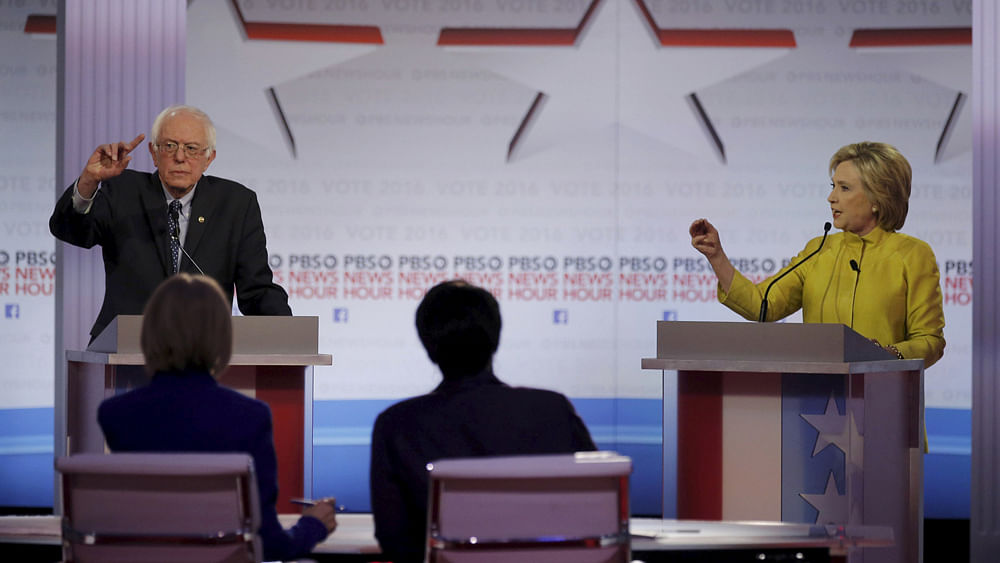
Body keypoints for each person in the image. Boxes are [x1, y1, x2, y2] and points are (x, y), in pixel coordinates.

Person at [97, 273, 336, 561]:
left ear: (150, 334)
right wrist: (313, 525)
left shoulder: (115, 415)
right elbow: (269, 544)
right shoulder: (250, 417)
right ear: (222, 337)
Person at [369, 280, 597, 563]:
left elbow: (395, 540)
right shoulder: (553, 410)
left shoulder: (397, 426)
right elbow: (597, 515)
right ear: (495, 340)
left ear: (428, 347)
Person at [690, 141, 945, 367]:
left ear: (877, 197)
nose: (831, 197)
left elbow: (930, 340)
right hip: (815, 399)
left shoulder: (912, 255)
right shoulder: (818, 250)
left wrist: (890, 355)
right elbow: (762, 306)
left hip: (884, 400)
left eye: (844, 188)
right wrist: (717, 257)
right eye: (833, 186)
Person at [50, 104, 290, 342]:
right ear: (153, 153)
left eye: (192, 148)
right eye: (170, 146)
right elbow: (71, 230)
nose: (180, 157)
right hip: (125, 347)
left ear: (209, 158)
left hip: (204, 352)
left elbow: (257, 289)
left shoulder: (236, 204)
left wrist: (289, 337)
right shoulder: (124, 191)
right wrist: (89, 181)